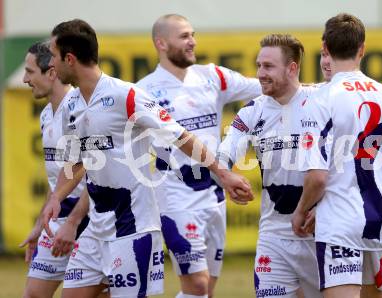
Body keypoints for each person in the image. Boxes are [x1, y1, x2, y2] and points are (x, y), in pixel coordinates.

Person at [41, 19, 253, 298]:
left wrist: (222, 174)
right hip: (96, 228)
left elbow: (179, 136)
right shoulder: (71, 104)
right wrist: (57, 196)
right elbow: (80, 160)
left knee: (201, 288)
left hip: (132, 227)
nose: (51, 66)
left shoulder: (125, 95)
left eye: (54, 57)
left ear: (69, 59)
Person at [136, 14, 261, 298]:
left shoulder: (212, 76)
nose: (192, 41)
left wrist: (317, 89)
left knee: (207, 290)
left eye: (192, 34)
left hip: (215, 194)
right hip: (175, 193)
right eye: (183, 36)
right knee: (197, 285)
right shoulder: (144, 91)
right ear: (161, 43)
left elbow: (266, 87)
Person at [291, 13, 382, 298]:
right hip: (378, 222)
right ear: (362, 49)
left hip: (339, 222)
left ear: (325, 49)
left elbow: (318, 177)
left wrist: (301, 211)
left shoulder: (320, 98)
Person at [217, 34, 322, 298]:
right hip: (274, 236)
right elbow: (223, 155)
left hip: (321, 233)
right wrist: (226, 176)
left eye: (268, 66)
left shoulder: (323, 102)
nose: (260, 74)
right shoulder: (252, 111)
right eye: (259, 65)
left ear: (292, 68)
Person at [20, 41, 89, 298]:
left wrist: (74, 221)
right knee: (34, 293)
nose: (26, 79)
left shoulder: (81, 110)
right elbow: (56, 181)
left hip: (90, 218)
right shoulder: (47, 114)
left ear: (51, 72)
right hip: (59, 218)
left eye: (30, 72)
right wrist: (41, 224)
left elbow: (92, 169)